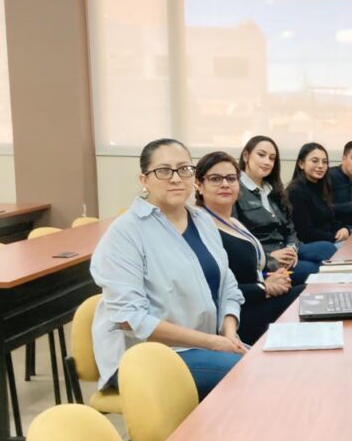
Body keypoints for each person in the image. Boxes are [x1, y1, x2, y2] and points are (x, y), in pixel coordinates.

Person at [90, 138, 246, 400]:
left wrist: (229, 333)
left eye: (184, 169)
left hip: (204, 344)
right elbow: (130, 317)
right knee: (249, 374)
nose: (176, 178)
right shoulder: (125, 233)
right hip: (146, 356)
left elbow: (228, 287)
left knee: (263, 365)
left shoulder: (203, 221)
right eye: (163, 171)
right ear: (144, 180)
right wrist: (212, 342)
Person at [195, 151, 298, 346]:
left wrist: (271, 277)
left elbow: (248, 270)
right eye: (215, 179)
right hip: (237, 318)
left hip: (255, 302)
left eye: (231, 178)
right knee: (305, 296)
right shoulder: (201, 226)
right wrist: (263, 288)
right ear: (199, 185)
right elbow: (214, 289)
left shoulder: (233, 222)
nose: (225, 184)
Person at [233, 135, 337, 285]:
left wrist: (291, 249)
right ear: (246, 156)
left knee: (328, 249)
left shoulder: (273, 189)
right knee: (314, 270)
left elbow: (290, 228)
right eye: (261, 155)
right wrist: (269, 256)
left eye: (272, 158)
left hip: (286, 249)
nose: (267, 162)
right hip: (264, 257)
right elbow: (237, 240)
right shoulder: (235, 190)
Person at [286, 142, 350, 245]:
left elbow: (330, 219)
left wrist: (344, 228)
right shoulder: (295, 191)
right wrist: (334, 237)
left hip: (328, 240)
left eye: (324, 162)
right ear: (301, 164)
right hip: (313, 244)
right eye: (315, 161)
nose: (321, 166)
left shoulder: (322, 186)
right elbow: (305, 233)